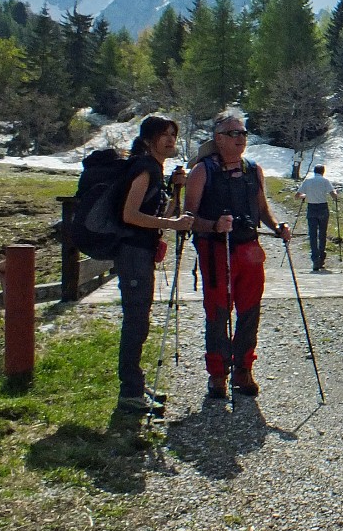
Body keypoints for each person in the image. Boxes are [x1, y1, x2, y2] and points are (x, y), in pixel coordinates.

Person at [185, 112, 291, 399]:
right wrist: (214, 226)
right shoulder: (201, 171)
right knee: (218, 312)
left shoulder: (253, 170)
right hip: (215, 251)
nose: (240, 138)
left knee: (250, 310)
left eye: (243, 132)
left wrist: (277, 227)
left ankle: (243, 368)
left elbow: (262, 208)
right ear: (218, 138)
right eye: (233, 133)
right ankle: (218, 373)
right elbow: (188, 218)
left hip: (249, 247)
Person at [115, 116, 193, 415]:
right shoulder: (145, 168)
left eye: (173, 134)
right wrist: (171, 223)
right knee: (136, 321)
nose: (171, 139)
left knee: (139, 319)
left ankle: (134, 385)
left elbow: (163, 213)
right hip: (133, 253)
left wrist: (175, 190)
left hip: (140, 253)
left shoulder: (154, 170)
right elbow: (130, 214)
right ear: (149, 140)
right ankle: (130, 393)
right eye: (164, 135)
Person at [295, 164, 339, 271]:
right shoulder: (325, 181)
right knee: (322, 234)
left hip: (312, 208)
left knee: (313, 235)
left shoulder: (308, 181)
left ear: (314, 171)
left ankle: (315, 259)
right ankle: (322, 258)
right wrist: (336, 193)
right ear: (323, 172)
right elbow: (333, 196)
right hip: (323, 207)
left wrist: (306, 196)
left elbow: (297, 196)